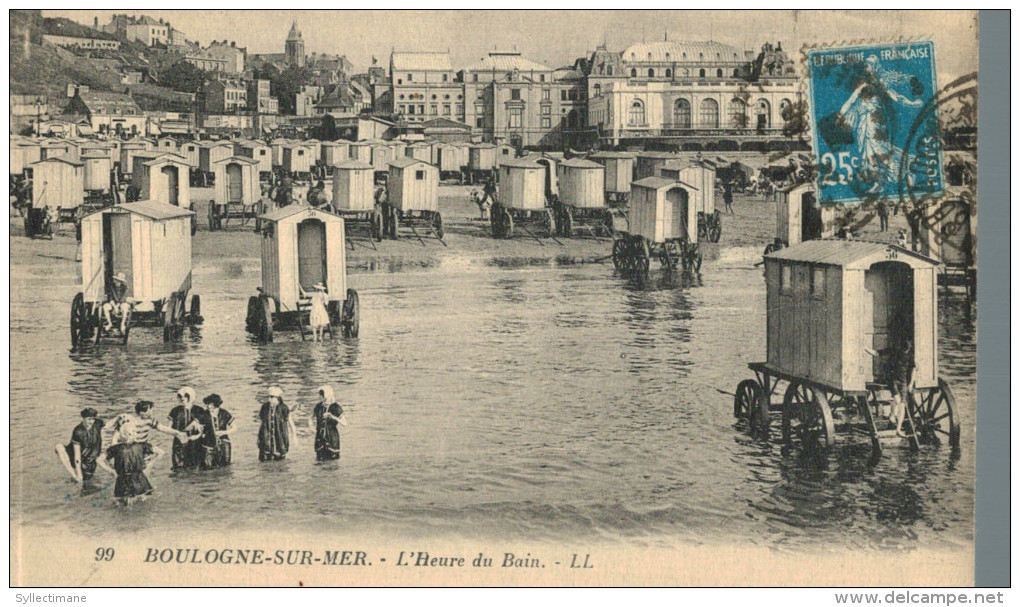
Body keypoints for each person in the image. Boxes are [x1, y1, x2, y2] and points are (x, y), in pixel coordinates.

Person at [105, 401, 185, 503]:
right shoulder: (127, 420)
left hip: (141, 451)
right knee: (127, 477)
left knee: (142, 474)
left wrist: (177, 433)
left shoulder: (149, 420)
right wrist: (115, 452)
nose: (152, 412)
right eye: (150, 410)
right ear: (142, 412)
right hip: (127, 452)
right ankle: (128, 498)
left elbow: (162, 428)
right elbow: (116, 436)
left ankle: (141, 495)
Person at [54, 408, 105, 483]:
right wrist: (78, 474)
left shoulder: (98, 423)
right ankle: (74, 475)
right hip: (78, 456)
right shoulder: (78, 431)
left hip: (90, 459)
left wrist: (119, 418)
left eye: (93, 419)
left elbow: (109, 425)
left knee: (88, 478)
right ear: (83, 419)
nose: (91, 422)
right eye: (89, 419)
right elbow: (77, 455)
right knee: (58, 447)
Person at [258, 386, 297, 462]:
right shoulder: (264, 407)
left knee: (280, 462)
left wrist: (294, 436)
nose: (269, 399)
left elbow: (291, 422)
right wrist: (258, 438)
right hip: (266, 439)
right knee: (265, 461)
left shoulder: (283, 408)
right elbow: (261, 423)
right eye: (269, 397)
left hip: (280, 439)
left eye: (271, 397)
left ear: (277, 398)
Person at [168, 387, 201, 470]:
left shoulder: (199, 410)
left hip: (195, 441)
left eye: (186, 396)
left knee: (195, 466)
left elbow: (203, 428)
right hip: (179, 442)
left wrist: (197, 436)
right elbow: (169, 428)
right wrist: (177, 434)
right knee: (178, 467)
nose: (183, 398)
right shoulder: (175, 411)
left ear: (191, 397)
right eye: (180, 396)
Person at [313, 385, 347, 461]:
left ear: (326, 395)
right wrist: (312, 429)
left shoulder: (335, 407)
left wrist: (332, 417)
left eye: (321, 395)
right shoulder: (318, 406)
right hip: (320, 437)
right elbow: (310, 418)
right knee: (319, 461)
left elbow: (345, 423)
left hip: (332, 437)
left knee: (332, 461)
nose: (319, 396)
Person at [205, 394, 234, 467]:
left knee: (225, 467)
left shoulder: (224, 413)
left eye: (211, 404)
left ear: (217, 404)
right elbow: (195, 425)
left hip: (224, 444)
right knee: (209, 468)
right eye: (208, 404)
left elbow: (235, 427)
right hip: (209, 446)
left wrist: (224, 432)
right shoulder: (204, 414)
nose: (209, 406)